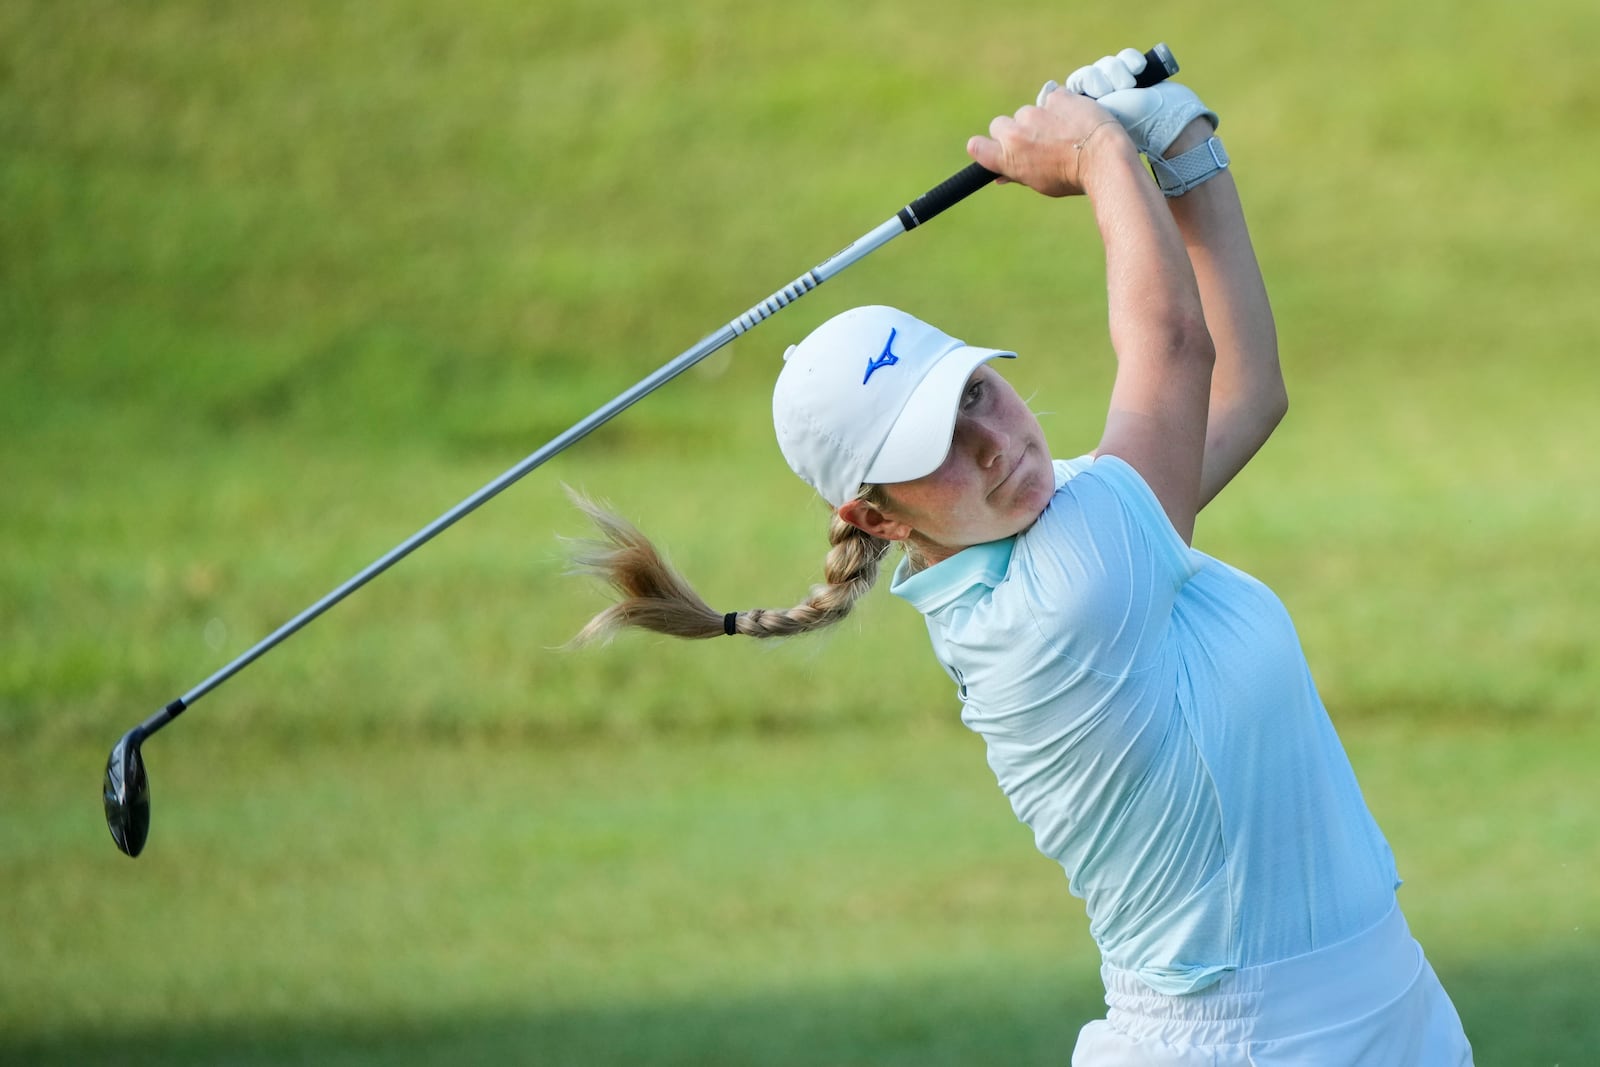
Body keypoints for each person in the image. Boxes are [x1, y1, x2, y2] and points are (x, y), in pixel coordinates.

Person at [568, 48, 1473, 1065]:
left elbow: (1244, 391)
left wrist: (1182, 155)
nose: (993, 444)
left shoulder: (1068, 518)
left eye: (974, 394)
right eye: (935, 451)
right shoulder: (1060, 598)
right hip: (1244, 1045)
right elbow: (1173, 347)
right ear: (876, 518)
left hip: (1385, 1006)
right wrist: (1095, 153)